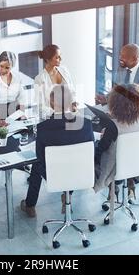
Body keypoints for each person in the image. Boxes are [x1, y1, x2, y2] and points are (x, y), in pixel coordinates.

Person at [20, 85, 94, 218]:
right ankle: (68, 194)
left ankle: (30, 205)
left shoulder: (43, 128)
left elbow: (40, 158)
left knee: (37, 164)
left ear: (52, 101)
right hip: (81, 173)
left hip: (55, 176)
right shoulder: (86, 124)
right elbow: (90, 152)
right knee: (73, 159)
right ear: (71, 102)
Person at [93, 83, 139, 201]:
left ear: (116, 104)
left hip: (117, 170)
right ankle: (130, 187)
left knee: (99, 151)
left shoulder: (113, 127)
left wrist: (100, 139)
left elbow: (101, 151)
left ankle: (113, 191)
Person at [95, 43, 139, 114]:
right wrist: (106, 98)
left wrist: (135, 113)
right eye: (120, 54)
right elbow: (116, 90)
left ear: (134, 59)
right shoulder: (121, 68)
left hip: (137, 116)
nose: (120, 58)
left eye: (124, 56)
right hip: (120, 112)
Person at [34, 44, 77, 119]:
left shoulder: (64, 70)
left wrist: (73, 104)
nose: (61, 59)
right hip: (52, 117)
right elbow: (40, 106)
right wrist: (56, 113)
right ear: (48, 59)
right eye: (57, 57)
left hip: (69, 114)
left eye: (60, 56)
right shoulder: (39, 79)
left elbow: (72, 91)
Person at [0, 51, 25, 127]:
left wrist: (21, 113)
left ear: (12, 66)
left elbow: (22, 100)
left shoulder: (18, 78)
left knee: (24, 131)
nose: (3, 70)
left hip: (15, 112)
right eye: (1, 66)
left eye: (7, 68)